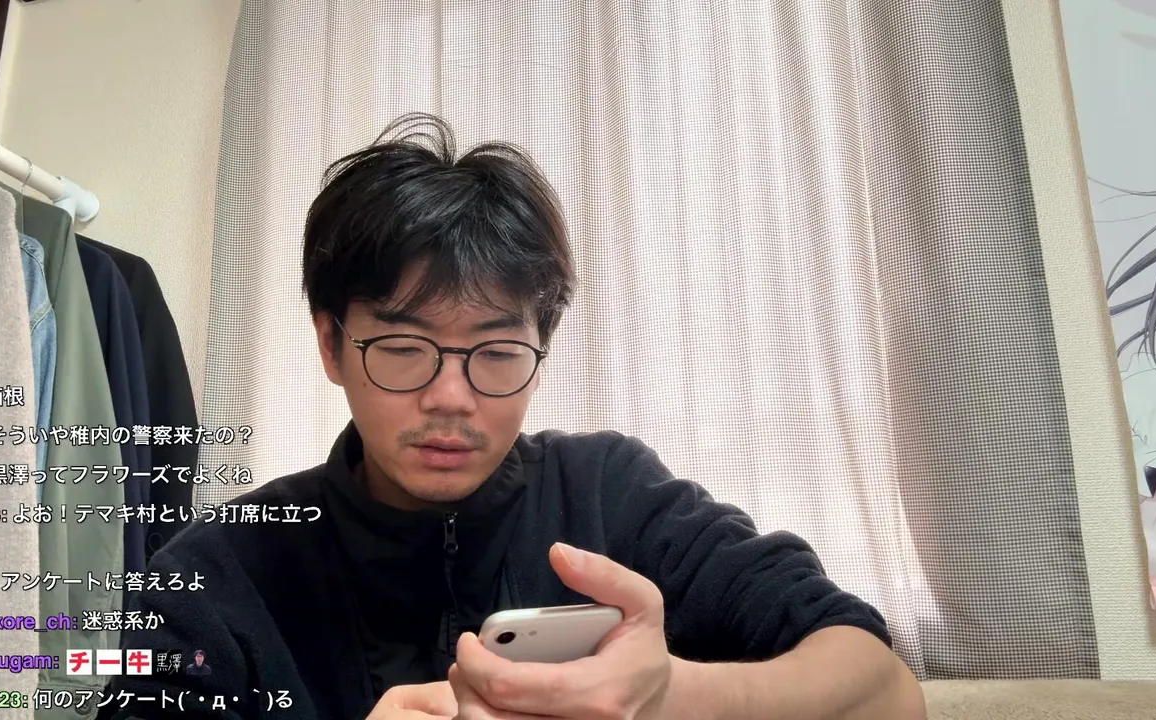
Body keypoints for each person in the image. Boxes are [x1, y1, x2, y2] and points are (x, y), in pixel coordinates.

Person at [102, 113, 926, 719]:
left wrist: (673, 695)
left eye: (497, 352)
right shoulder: (221, 573)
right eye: (404, 347)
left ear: (542, 346)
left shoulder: (611, 497)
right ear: (331, 343)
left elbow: (886, 691)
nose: (452, 397)